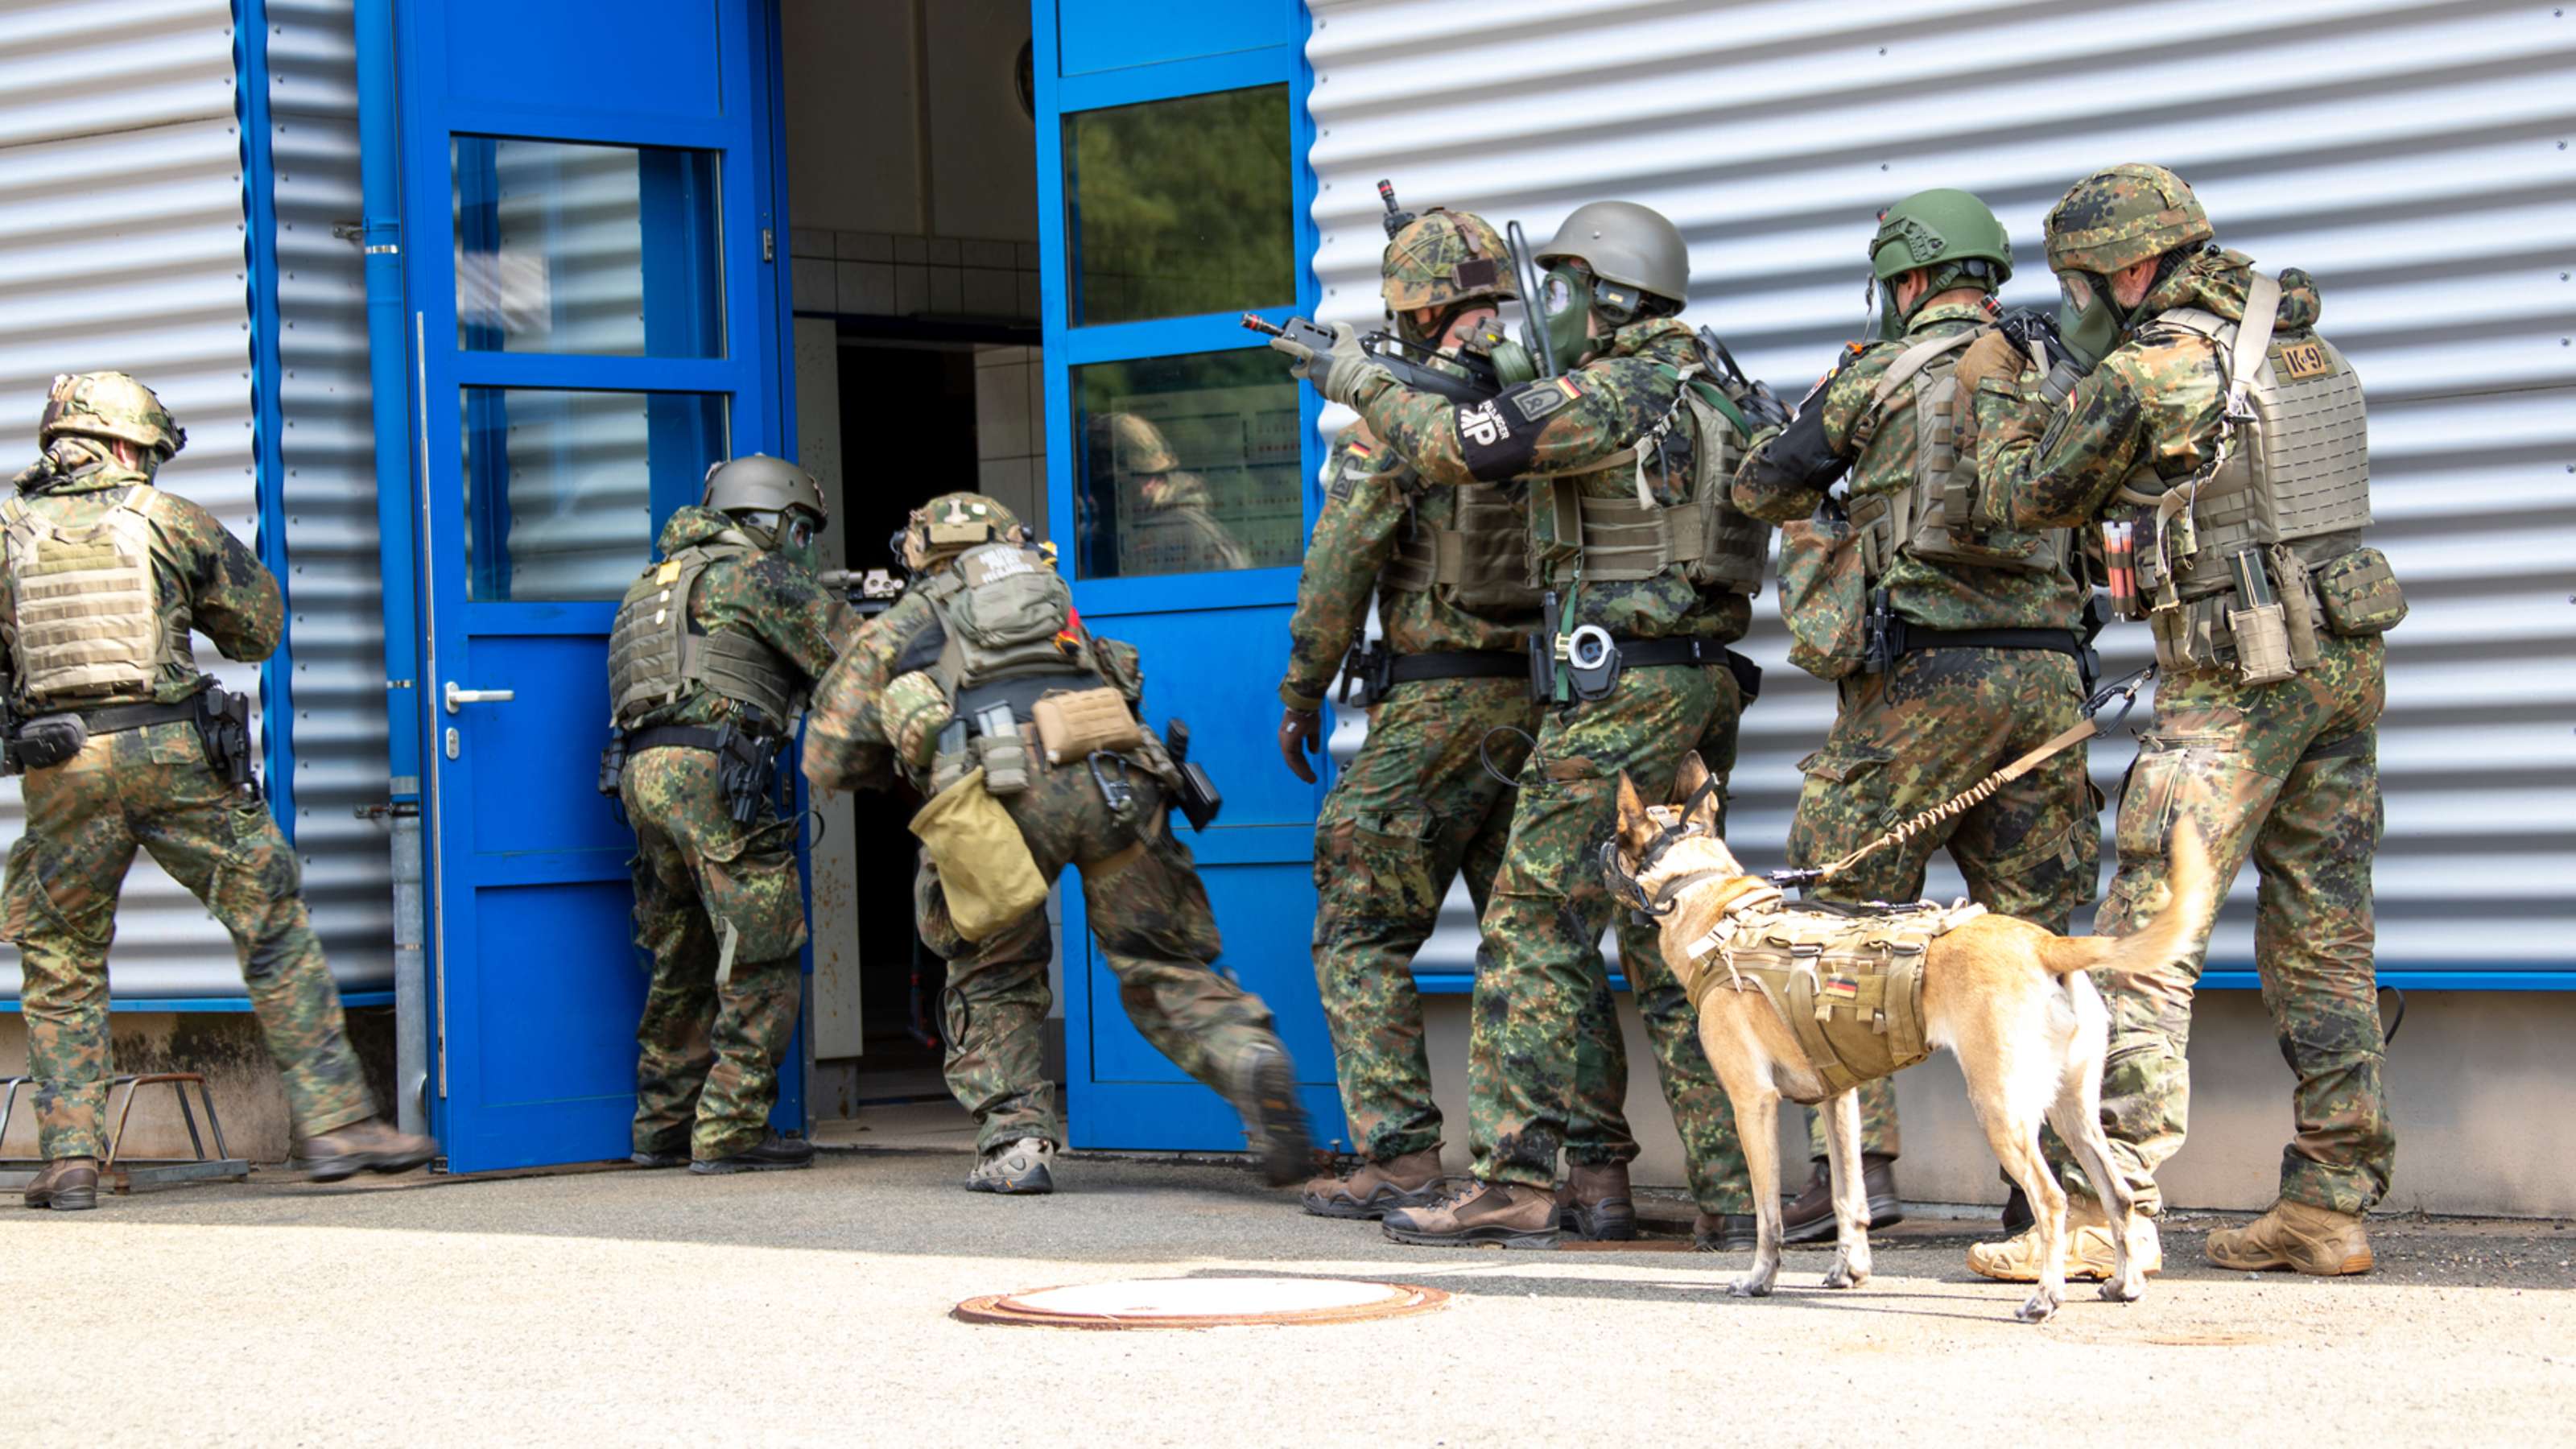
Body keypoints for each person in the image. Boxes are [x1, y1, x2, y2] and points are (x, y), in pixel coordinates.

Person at [1272, 201, 1773, 1247]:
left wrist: (1302, 687)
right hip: (1593, 691)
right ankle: (1640, 1179)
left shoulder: (1526, 397)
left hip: (1498, 699)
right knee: (1616, 934)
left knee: (1454, 924)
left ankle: (1441, 1159)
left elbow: (1346, 559)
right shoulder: (1703, 386)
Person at [1963, 163, 2397, 1279]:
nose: (2075, 304)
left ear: (2131, 267)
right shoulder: (2301, 342)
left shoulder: (2163, 366)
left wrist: (2004, 379)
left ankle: (2114, 1216)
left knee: (2148, 939)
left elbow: (2021, 495)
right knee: (2326, 937)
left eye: (2079, 282)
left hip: (2234, 679)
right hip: (2339, 667)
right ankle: (2329, 1206)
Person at [1731, 189, 2101, 1244]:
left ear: (1906, 280)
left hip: (1924, 684)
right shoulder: (2057, 368)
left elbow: (1766, 485)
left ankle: (1861, 1170)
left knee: (1838, 914)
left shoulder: (1880, 371)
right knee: (2033, 934)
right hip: (2049, 680)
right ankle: (2037, 1190)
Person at [0, 372, 436, 1209]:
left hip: (60, 765)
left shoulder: (9, 531)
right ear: (128, 445)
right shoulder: (170, 520)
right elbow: (258, 630)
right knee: (269, 924)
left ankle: (70, 1159)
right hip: (171, 752)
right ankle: (338, 1126)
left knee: (60, 957)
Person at [803, 493, 1310, 1195]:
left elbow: (828, 757)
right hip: (1116, 780)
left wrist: (897, 762)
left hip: (999, 797)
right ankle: (1247, 1054)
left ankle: (1016, 1142)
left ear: (919, 551)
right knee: (1160, 958)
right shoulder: (1057, 601)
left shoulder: (911, 617)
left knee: (995, 967)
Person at [606, 455, 844, 1174]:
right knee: (763, 952)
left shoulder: (651, 584)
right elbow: (855, 658)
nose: (802, 549)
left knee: (681, 957)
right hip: (716, 774)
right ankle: (731, 1128)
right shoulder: (756, 576)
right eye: (800, 530)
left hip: (643, 777)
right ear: (770, 518)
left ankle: (663, 1127)